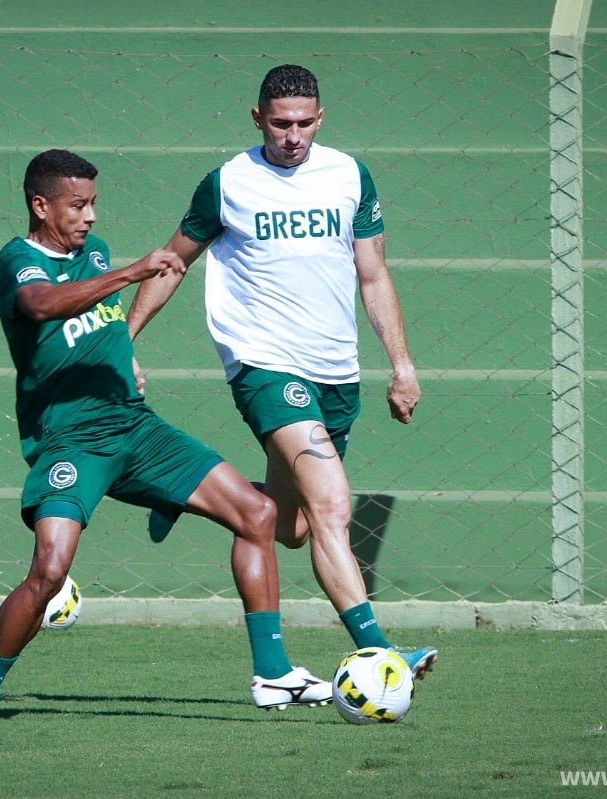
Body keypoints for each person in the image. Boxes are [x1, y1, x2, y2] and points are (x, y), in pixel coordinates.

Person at [0, 148, 331, 722]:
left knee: (258, 513)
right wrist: (132, 272)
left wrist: (122, 355)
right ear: (41, 206)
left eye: (93, 204)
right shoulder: (19, 258)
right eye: (77, 205)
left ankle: (274, 674)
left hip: (134, 424)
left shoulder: (94, 253)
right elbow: (41, 305)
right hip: (71, 440)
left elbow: (98, 326)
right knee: (49, 572)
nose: (90, 217)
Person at [127, 64, 437, 680]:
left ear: (319, 118)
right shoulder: (228, 183)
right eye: (279, 124)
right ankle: (379, 651)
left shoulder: (349, 175)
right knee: (333, 507)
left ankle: (183, 491)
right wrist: (123, 339)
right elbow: (173, 262)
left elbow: (373, 275)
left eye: (303, 123)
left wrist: (402, 366)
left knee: (292, 528)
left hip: (336, 370)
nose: (292, 136)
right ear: (257, 119)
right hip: (265, 363)